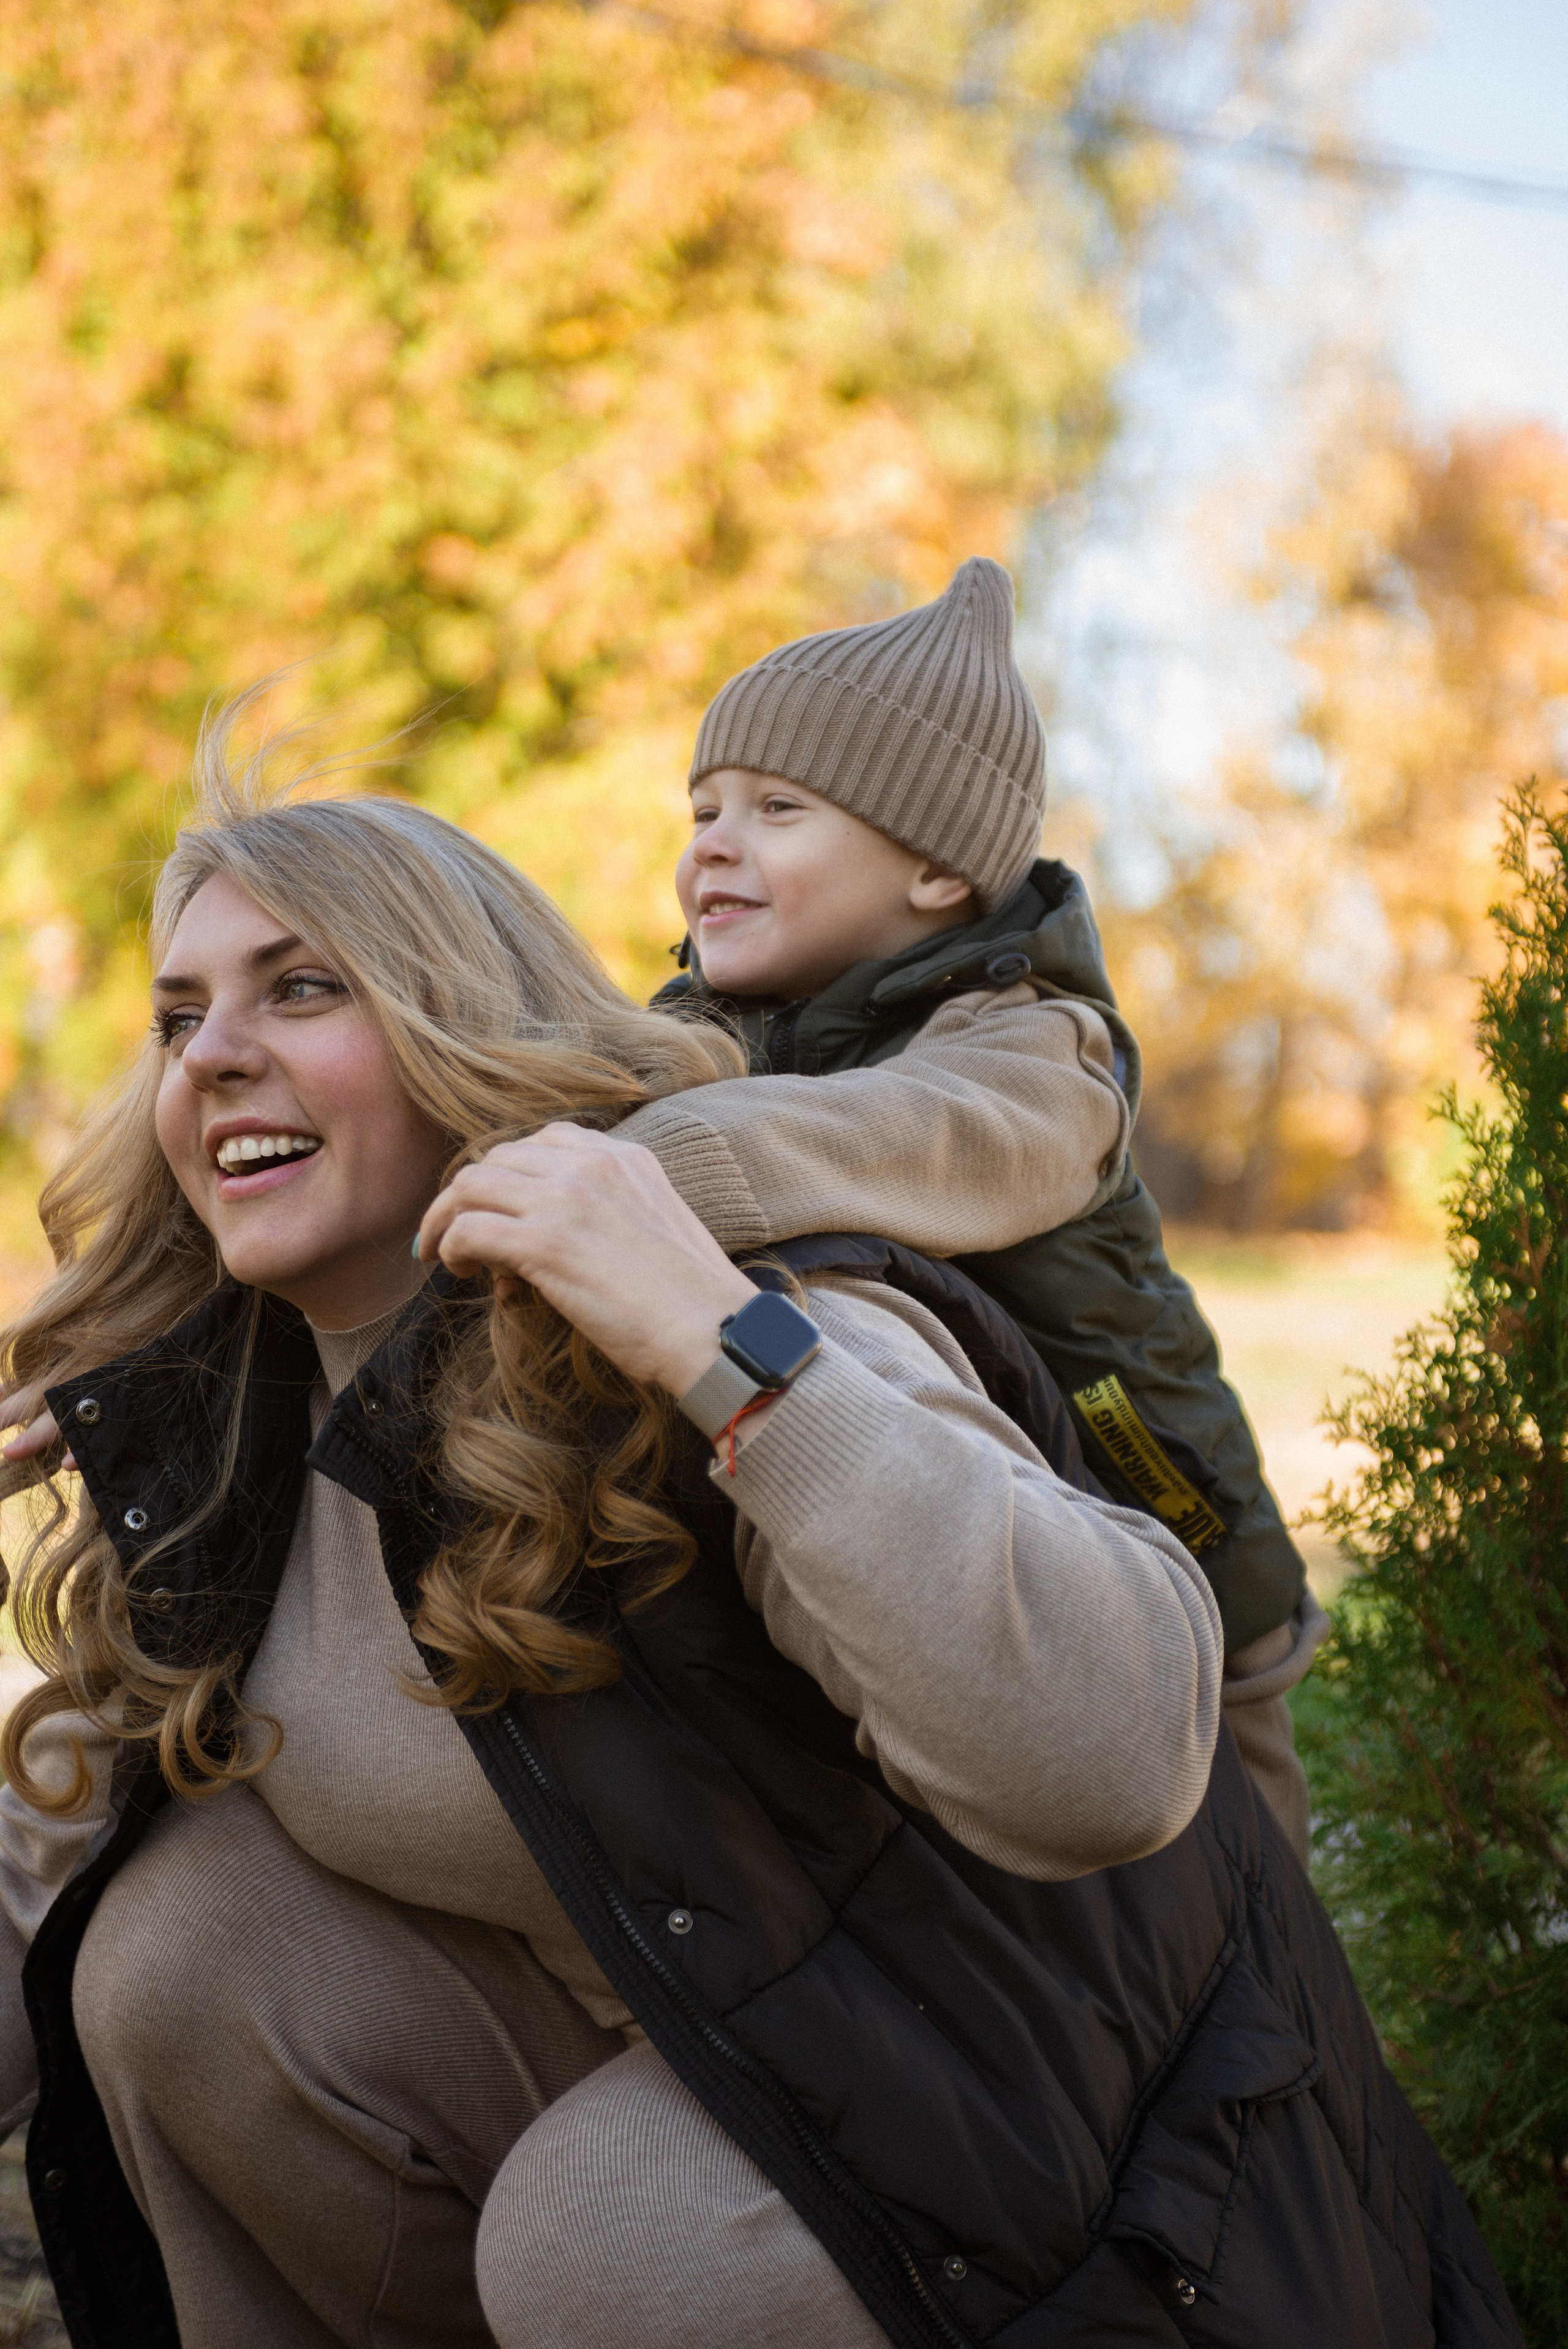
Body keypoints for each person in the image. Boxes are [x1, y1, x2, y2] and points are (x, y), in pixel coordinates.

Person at [0, 710, 1516, 2349]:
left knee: (616, 2241)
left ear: (461, 1028)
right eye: (179, 1014)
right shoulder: (218, 1421)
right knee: (173, 1957)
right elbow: (40, 1886)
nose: (212, 1049)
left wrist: (732, 1354)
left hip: (1111, 2153)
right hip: (698, 2051)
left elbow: (1116, 1756)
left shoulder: (734, 1299)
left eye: (301, 987)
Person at [617, 556, 1327, 1852]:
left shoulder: (1039, 1049)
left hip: (1168, 1550)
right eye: (702, 806)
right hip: (965, 1550)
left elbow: (911, 1140)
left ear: (938, 871)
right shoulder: (718, 1034)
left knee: (1239, 1905)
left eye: (775, 807)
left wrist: (636, 1170)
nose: (711, 842)